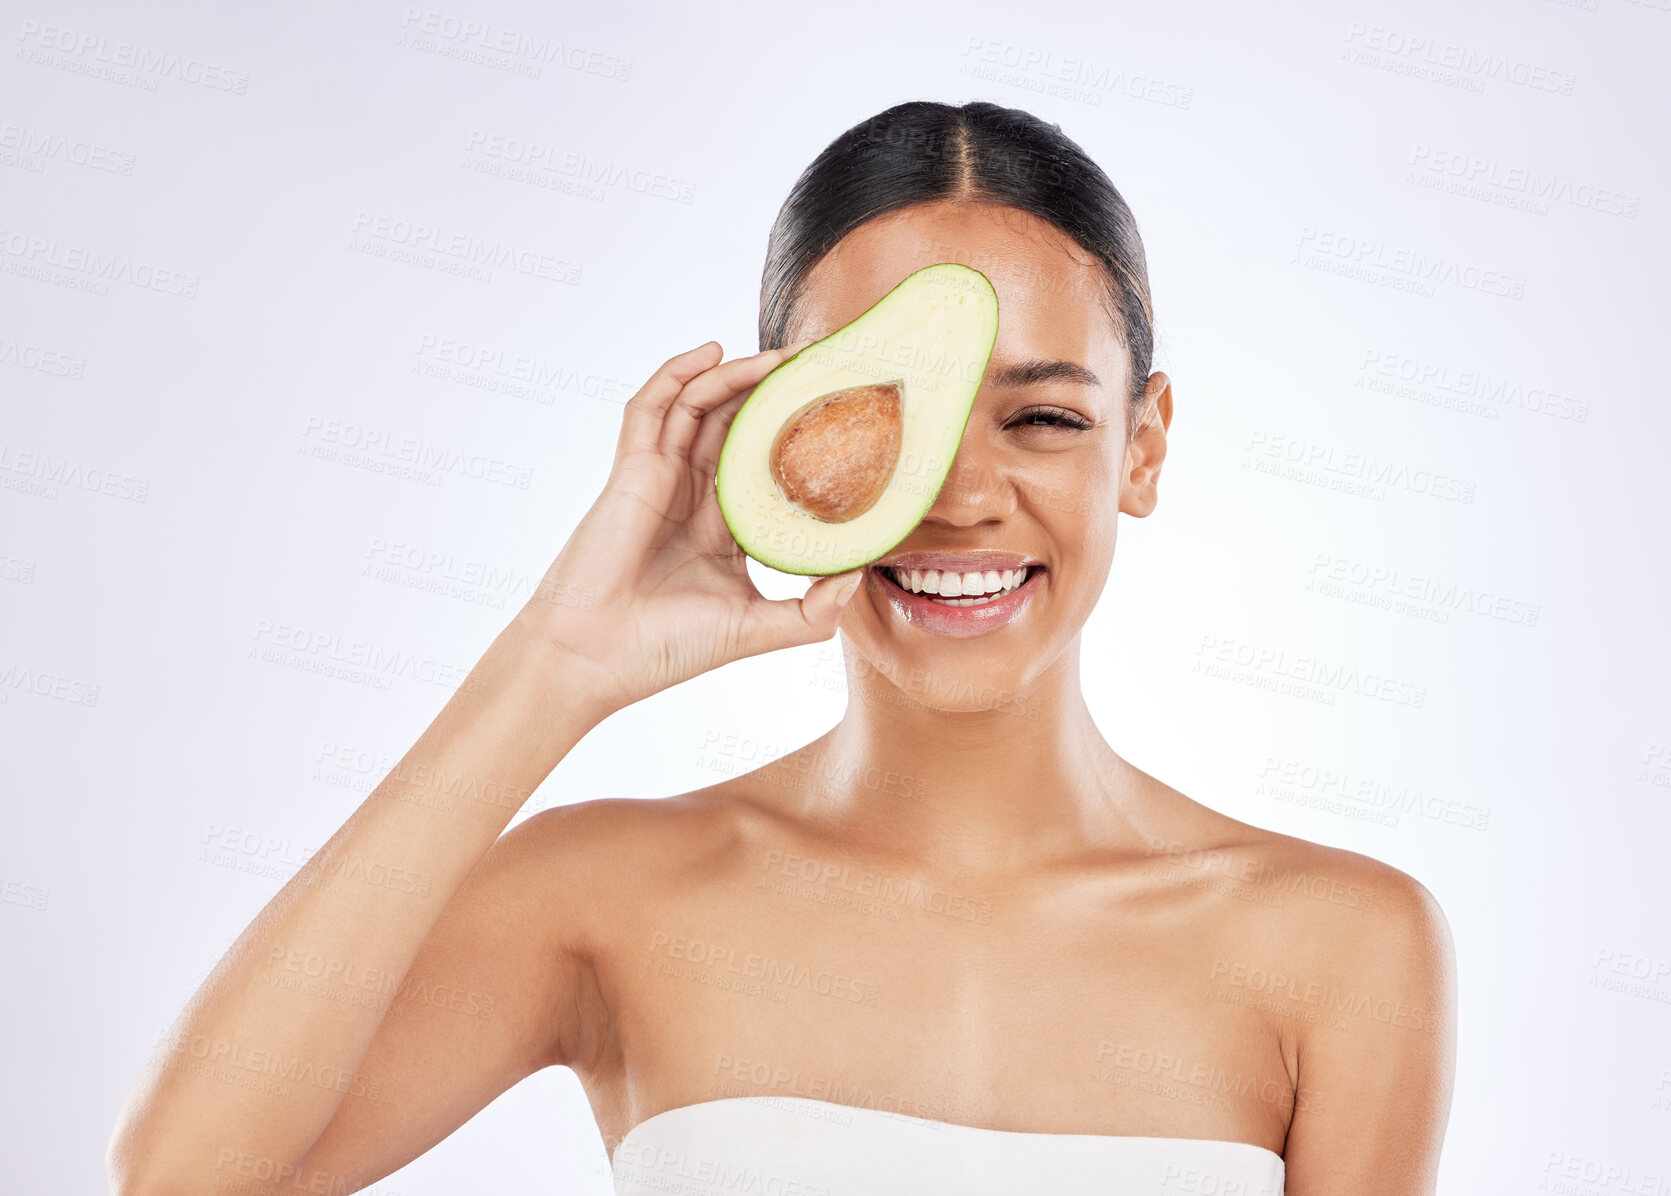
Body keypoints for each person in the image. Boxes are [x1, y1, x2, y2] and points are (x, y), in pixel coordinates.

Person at [108, 100, 1456, 1196]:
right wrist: (557, 663)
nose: (955, 494)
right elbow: (187, 1180)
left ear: (1143, 447)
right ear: (767, 431)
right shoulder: (604, 895)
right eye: (879, 415)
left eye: (1041, 420)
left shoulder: (1341, 946)